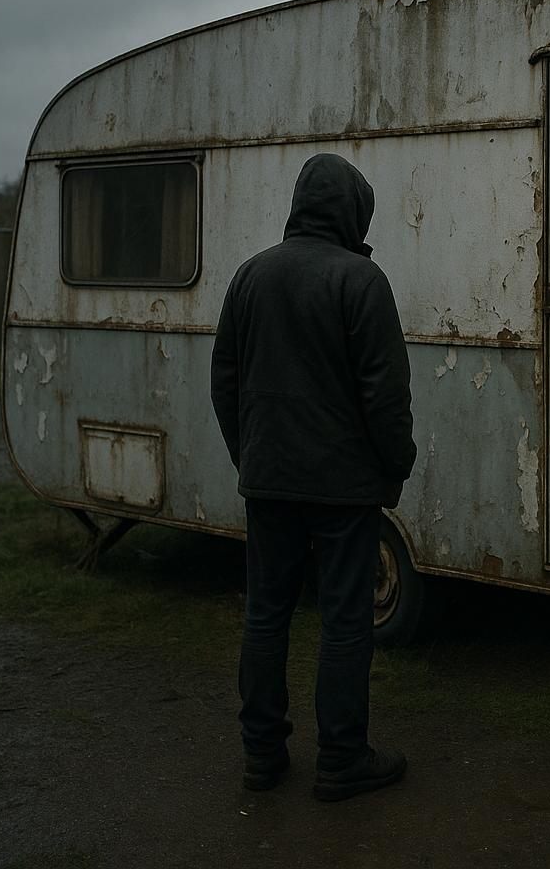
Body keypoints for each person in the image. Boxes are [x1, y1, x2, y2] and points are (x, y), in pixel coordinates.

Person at [210, 152, 416, 801]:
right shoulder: (361, 279)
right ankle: (341, 759)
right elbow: (384, 394)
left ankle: (261, 757)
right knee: (346, 621)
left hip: (269, 481)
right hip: (343, 488)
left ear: (300, 204)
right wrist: (396, 464)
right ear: (353, 211)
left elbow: (225, 383)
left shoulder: (250, 276)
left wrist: (251, 456)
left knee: (266, 616)